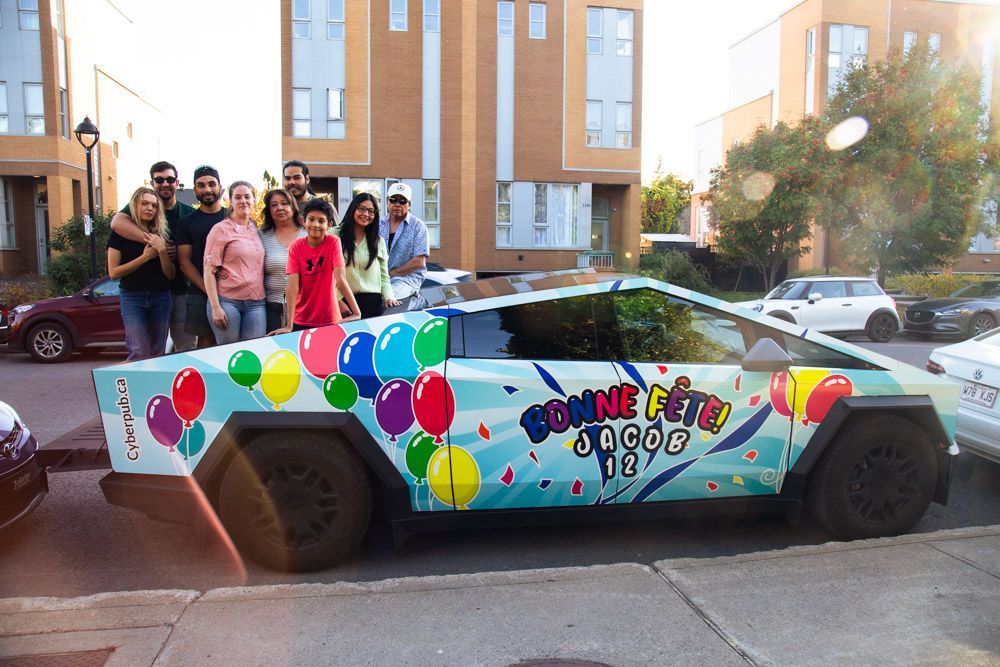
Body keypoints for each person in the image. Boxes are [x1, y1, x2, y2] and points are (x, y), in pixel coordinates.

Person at [109, 161, 195, 351]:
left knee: (185, 347)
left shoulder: (188, 213)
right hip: (144, 292)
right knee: (140, 348)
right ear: (152, 182)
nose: (165, 183)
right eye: (159, 180)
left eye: (170, 179)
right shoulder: (133, 216)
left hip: (179, 290)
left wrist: (168, 249)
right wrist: (156, 245)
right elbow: (116, 223)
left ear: (177, 182)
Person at [272, 198, 361, 333]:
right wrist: (288, 325)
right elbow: (292, 287)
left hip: (330, 318)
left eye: (321, 221)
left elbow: (340, 279)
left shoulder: (333, 242)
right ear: (303, 221)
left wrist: (356, 312)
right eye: (311, 219)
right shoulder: (296, 247)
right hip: (301, 319)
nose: (315, 224)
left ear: (329, 225)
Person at [106, 187, 175, 361]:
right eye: (144, 203)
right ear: (135, 205)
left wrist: (162, 251)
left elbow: (170, 274)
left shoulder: (162, 234)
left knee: (158, 352)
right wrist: (145, 258)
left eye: (154, 205)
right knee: (139, 350)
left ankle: (156, 387)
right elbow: (113, 272)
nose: (149, 208)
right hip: (132, 297)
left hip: (161, 296)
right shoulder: (120, 233)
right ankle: (139, 387)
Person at [203, 181, 266, 344]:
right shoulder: (221, 229)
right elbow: (209, 271)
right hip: (227, 302)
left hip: (256, 303)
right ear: (230, 201)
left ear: (254, 200)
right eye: (237, 197)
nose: (243, 201)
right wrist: (215, 307)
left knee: (254, 355)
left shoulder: (254, 228)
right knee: (229, 355)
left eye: (247, 197)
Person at [176, 166, 228, 348]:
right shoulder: (186, 223)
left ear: (220, 187)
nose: (207, 189)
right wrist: (209, 290)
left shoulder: (233, 218)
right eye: (201, 185)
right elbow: (184, 262)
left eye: (212, 184)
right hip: (200, 293)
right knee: (205, 344)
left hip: (234, 293)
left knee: (233, 344)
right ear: (195, 189)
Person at [337, 193, 399, 318]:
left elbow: (384, 276)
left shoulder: (378, 241)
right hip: (344, 305)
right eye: (362, 209)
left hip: (373, 306)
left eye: (371, 211)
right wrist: (337, 300)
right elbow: (325, 273)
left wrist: (389, 297)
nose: (366, 214)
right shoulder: (334, 235)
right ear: (353, 208)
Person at [259, 188, 306, 332]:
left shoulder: (308, 234)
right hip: (273, 309)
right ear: (269, 210)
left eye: (284, 203)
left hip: (304, 308)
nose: (279, 208)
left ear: (293, 206)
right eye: (274, 205)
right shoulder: (261, 236)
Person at [379, 182, 429, 301]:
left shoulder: (418, 226)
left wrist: (390, 274)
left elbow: (419, 262)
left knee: (388, 300)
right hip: (380, 278)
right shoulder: (378, 224)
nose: (397, 204)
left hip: (407, 279)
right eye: (393, 200)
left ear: (409, 204)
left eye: (402, 201)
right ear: (387, 202)